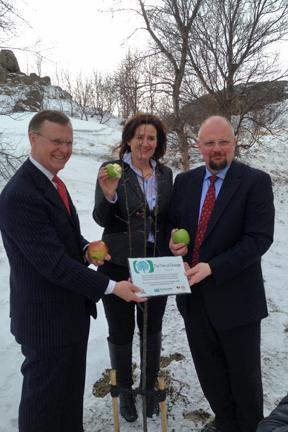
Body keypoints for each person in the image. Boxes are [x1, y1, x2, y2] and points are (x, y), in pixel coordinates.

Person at [0, 110, 146, 432]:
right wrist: (112, 286)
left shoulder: (52, 181)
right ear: (33, 138)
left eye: (68, 142)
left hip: (69, 317)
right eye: (56, 141)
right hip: (46, 324)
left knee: (66, 407)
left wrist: (83, 248)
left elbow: (63, 238)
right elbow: (53, 264)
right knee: (43, 410)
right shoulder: (20, 195)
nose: (64, 149)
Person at [168, 115, 275, 432]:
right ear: (199, 146)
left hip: (237, 301)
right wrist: (174, 244)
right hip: (194, 301)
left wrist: (213, 267)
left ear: (234, 143)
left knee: (244, 382)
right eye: (210, 143)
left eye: (223, 142)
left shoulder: (255, 182)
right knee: (211, 376)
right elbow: (174, 226)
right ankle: (225, 424)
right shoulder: (184, 182)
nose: (216, 149)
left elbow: (259, 239)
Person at [93, 113, 173, 422]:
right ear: (129, 139)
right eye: (139, 136)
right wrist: (110, 194)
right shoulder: (111, 171)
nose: (145, 142)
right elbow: (101, 218)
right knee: (121, 331)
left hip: (155, 266)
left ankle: (149, 388)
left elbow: (168, 220)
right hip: (118, 265)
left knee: (151, 329)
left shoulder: (165, 174)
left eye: (151, 137)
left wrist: (175, 245)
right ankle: (125, 392)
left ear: (157, 143)